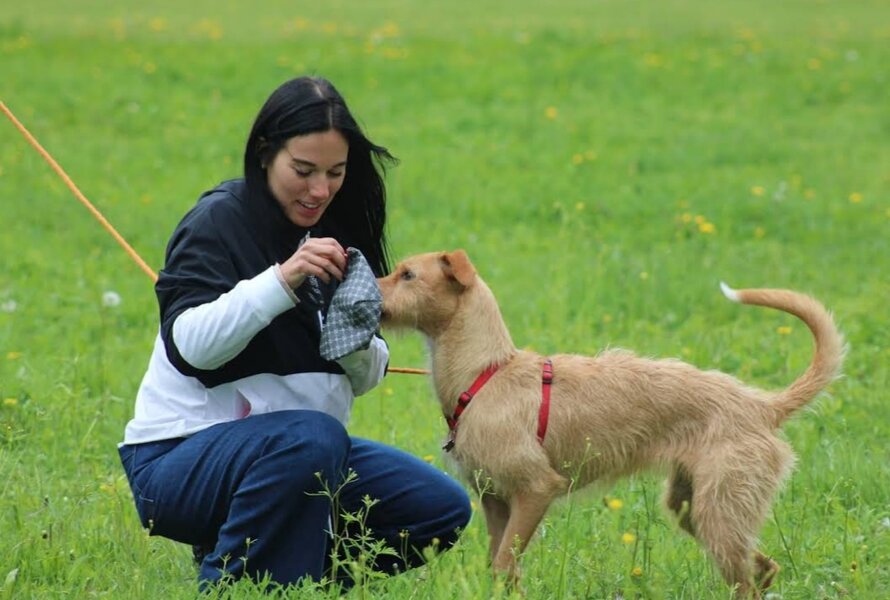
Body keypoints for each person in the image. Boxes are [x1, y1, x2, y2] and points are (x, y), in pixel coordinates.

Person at [117, 76, 472, 591]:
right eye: (303, 171)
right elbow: (191, 350)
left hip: (303, 455)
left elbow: (366, 374)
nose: (320, 190)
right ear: (265, 153)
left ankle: (287, 576)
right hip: (177, 459)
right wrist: (283, 281)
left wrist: (350, 338)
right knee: (313, 435)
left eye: (335, 173)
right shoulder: (218, 220)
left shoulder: (341, 228)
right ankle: (235, 586)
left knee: (438, 508)